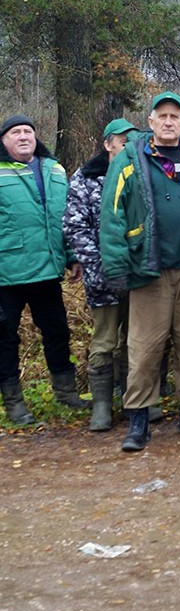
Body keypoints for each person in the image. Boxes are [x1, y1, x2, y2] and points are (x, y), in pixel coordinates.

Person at [100, 92, 180, 452]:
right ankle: (138, 417)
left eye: (175, 116)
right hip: (150, 269)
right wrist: (118, 266)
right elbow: (112, 217)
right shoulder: (130, 159)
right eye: (161, 116)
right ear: (150, 122)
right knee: (145, 346)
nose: (168, 121)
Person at [0, 115, 85, 425]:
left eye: (28, 131)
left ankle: (66, 392)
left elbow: (66, 218)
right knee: (6, 338)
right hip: (7, 272)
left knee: (57, 332)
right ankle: (14, 403)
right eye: (16, 132)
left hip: (47, 270)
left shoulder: (54, 169)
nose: (24, 136)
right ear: (4, 140)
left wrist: (72, 255)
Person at [63, 118, 139, 431]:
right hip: (103, 277)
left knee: (136, 341)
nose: (128, 148)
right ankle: (102, 407)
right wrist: (97, 266)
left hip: (139, 277)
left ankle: (133, 400)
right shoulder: (85, 179)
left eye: (133, 142)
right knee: (105, 341)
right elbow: (75, 226)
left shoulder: (140, 174)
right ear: (108, 144)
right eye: (123, 142)